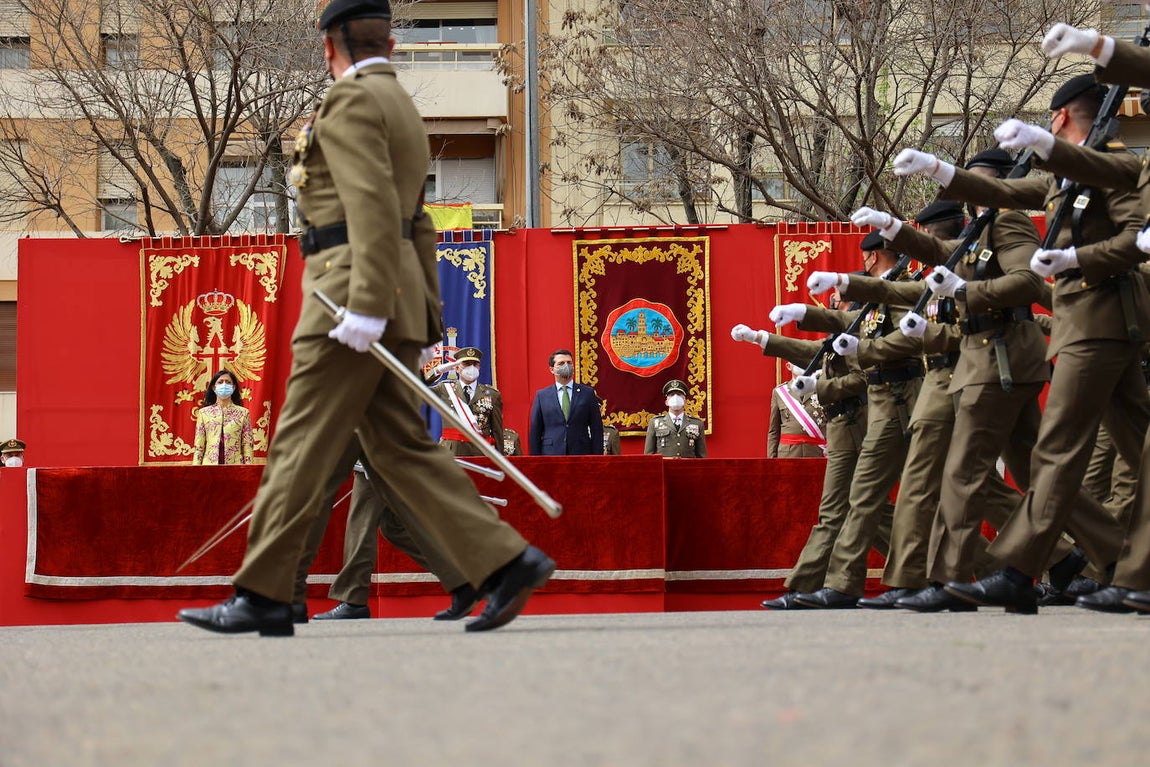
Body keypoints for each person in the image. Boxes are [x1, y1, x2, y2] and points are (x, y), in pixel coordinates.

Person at [177, 0, 553, 637]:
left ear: (330, 47)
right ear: (393, 43)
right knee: (401, 446)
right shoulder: (399, 102)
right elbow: (417, 218)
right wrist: (416, 309)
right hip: (388, 296)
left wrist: (367, 306)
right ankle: (506, 561)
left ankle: (265, 594)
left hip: (346, 297)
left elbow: (374, 208)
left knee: (299, 441)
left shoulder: (350, 103)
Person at [892, 73, 1147, 614]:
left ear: (1059, 118)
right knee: (1111, 448)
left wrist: (1078, 260)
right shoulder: (1063, 181)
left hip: (1091, 324)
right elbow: (1002, 190)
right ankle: (1118, 564)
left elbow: (1131, 238)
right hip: (1082, 327)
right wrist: (937, 169)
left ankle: (1018, 570)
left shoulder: (1115, 165)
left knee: (1054, 452)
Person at [769, 230, 924, 609]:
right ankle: (836, 584)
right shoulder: (861, 318)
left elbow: (867, 370)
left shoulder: (884, 305)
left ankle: (828, 586)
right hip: (862, 420)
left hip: (881, 414)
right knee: (868, 505)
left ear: (872, 259)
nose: (834, 301)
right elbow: (819, 348)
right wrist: (765, 340)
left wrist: (822, 386)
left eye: (838, 295)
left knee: (880, 501)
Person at [528, 349, 603, 455]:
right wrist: (535, 462)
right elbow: (535, 431)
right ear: (552, 369)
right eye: (561, 363)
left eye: (569, 362)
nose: (566, 366)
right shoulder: (542, 396)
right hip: (551, 454)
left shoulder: (587, 393)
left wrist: (597, 458)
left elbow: (596, 428)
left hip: (581, 453)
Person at [432, 346, 503, 456]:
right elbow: (415, 388)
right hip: (452, 452)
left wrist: (501, 461)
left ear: (479, 367)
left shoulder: (493, 394)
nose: (471, 368)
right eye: (466, 364)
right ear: (456, 368)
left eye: (474, 364)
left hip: (481, 452)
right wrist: (436, 371)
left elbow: (497, 431)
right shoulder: (445, 389)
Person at [191, 369, 255, 465]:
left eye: (228, 382)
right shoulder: (204, 413)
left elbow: (247, 446)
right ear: (213, 387)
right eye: (220, 382)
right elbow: (199, 447)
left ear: (233, 387)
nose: (224, 385)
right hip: (209, 467)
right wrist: (195, 471)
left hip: (235, 468)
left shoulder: (243, 413)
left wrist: (249, 472)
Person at [768, 364, 826, 458]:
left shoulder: (822, 389)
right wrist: (771, 460)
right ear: (788, 366)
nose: (799, 364)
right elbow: (774, 431)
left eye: (801, 360)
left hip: (817, 452)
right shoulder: (779, 392)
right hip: (788, 454)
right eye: (794, 361)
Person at [644, 379, 706, 458]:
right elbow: (649, 455)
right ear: (666, 402)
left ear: (685, 401)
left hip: (688, 469)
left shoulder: (697, 423)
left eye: (679, 394)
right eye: (672, 394)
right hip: (664, 469)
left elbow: (701, 456)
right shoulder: (655, 423)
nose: (675, 397)